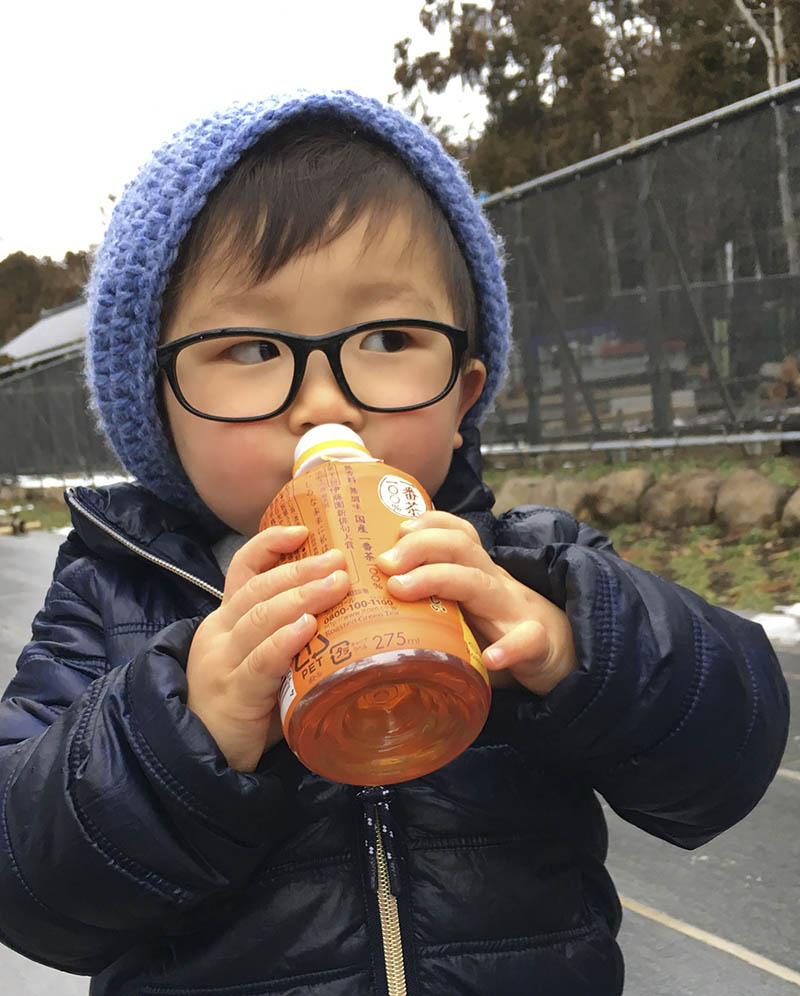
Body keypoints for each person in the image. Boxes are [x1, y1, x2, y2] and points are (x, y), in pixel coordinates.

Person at [0, 91, 789, 996]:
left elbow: (731, 749)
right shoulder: (120, 596)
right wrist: (185, 725)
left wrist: (578, 649)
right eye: (252, 348)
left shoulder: (526, 565)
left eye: (387, 337)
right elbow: (26, 882)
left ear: (463, 393)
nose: (327, 403)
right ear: (161, 410)